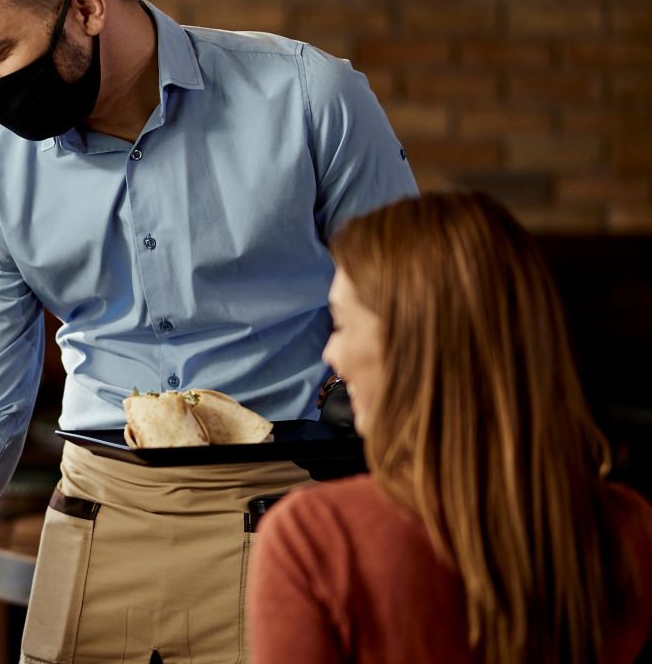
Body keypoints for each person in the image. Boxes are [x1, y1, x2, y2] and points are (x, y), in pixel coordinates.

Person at [0, 0, 418, 663]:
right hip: (95, 518)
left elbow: (423, 332)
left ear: (85, 7)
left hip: (290, 512)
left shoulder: (311, 100)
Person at [247, 192, 652, 664]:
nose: (329, 356)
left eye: (340, 325)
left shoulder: (315, 540)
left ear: (414, 345)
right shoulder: (629, 530)